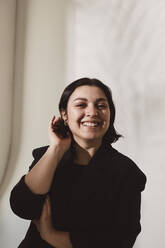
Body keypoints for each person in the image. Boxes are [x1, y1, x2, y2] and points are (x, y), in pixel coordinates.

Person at [10, 77, 147, 248]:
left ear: (110, 115)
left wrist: (53, 237)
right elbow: (22, 207)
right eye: (81, 105)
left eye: (101, 105)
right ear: (64, 114)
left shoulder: (127, 171)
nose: (92, 112)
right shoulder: (47, 156)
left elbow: (121, 240)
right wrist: (56, 148)